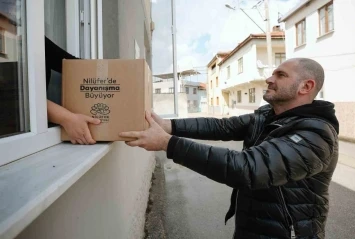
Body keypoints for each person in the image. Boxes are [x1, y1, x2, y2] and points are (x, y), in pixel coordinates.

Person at [119, 58, 339, 238]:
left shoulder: (315, 134)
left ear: (306, 86)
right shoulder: (266, 116)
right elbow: (221, 126)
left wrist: (167, 143)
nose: (269, 79)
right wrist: (169, 125)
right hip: (252, 228)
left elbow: (247, 168)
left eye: (281, 75)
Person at [45, 36, 100, 145]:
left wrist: (117, 75)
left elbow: (72, 65)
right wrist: (66, 118)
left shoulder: (33, 38)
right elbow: (20, 101)